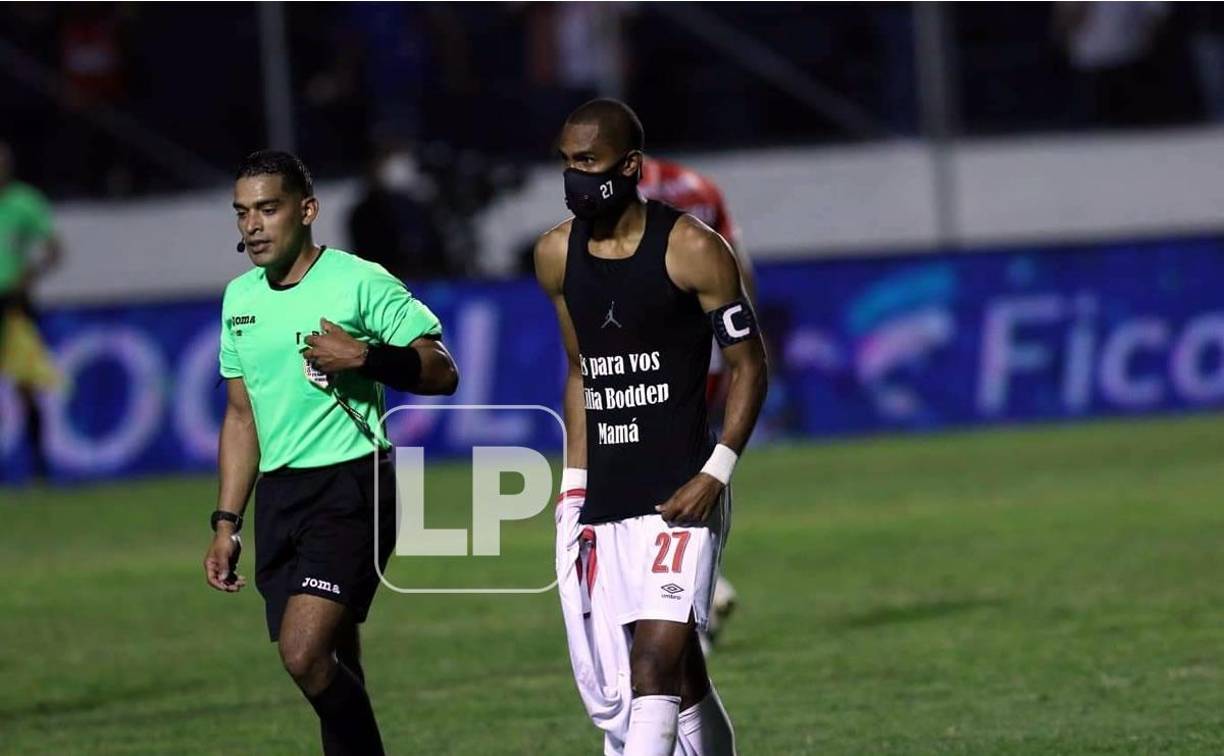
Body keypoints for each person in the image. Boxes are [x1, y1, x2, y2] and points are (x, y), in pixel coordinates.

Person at [202, 150, 458, 755]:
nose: (253, 225)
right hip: (282, 495)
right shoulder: (239, 300)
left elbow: (443, 371)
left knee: (305, 653)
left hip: (353, 485)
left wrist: (366, 357)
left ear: (307, 210)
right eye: (242, 213)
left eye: (268, 208)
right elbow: (242, 417)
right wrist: (226, 523)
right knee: (337, 659)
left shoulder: (358, 281)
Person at [536, 100, 767, 755]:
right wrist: (572, 488)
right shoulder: (555, 255)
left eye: (588, 162)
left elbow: (750, 366)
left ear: (630, 166)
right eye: (566, 163)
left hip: (682, 491)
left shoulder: (694, 248)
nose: (574, 177)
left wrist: (714, 473)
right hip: (607, 494)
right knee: (684, 676)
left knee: (654, 664)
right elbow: (579, 373)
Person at [638, 156, 755, 652]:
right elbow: (737, 264)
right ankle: (707, 584)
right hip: (710, 353)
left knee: (650, 477)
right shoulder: (701, 186)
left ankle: (686, 610)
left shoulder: (635, 191)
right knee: (692, 466)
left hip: (658, 353)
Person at [0, 140, 64, 479]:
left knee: (25, 383)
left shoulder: (24, 203)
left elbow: (55, 249)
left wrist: (29, 276)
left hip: (12, 303)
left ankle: (39, 465)